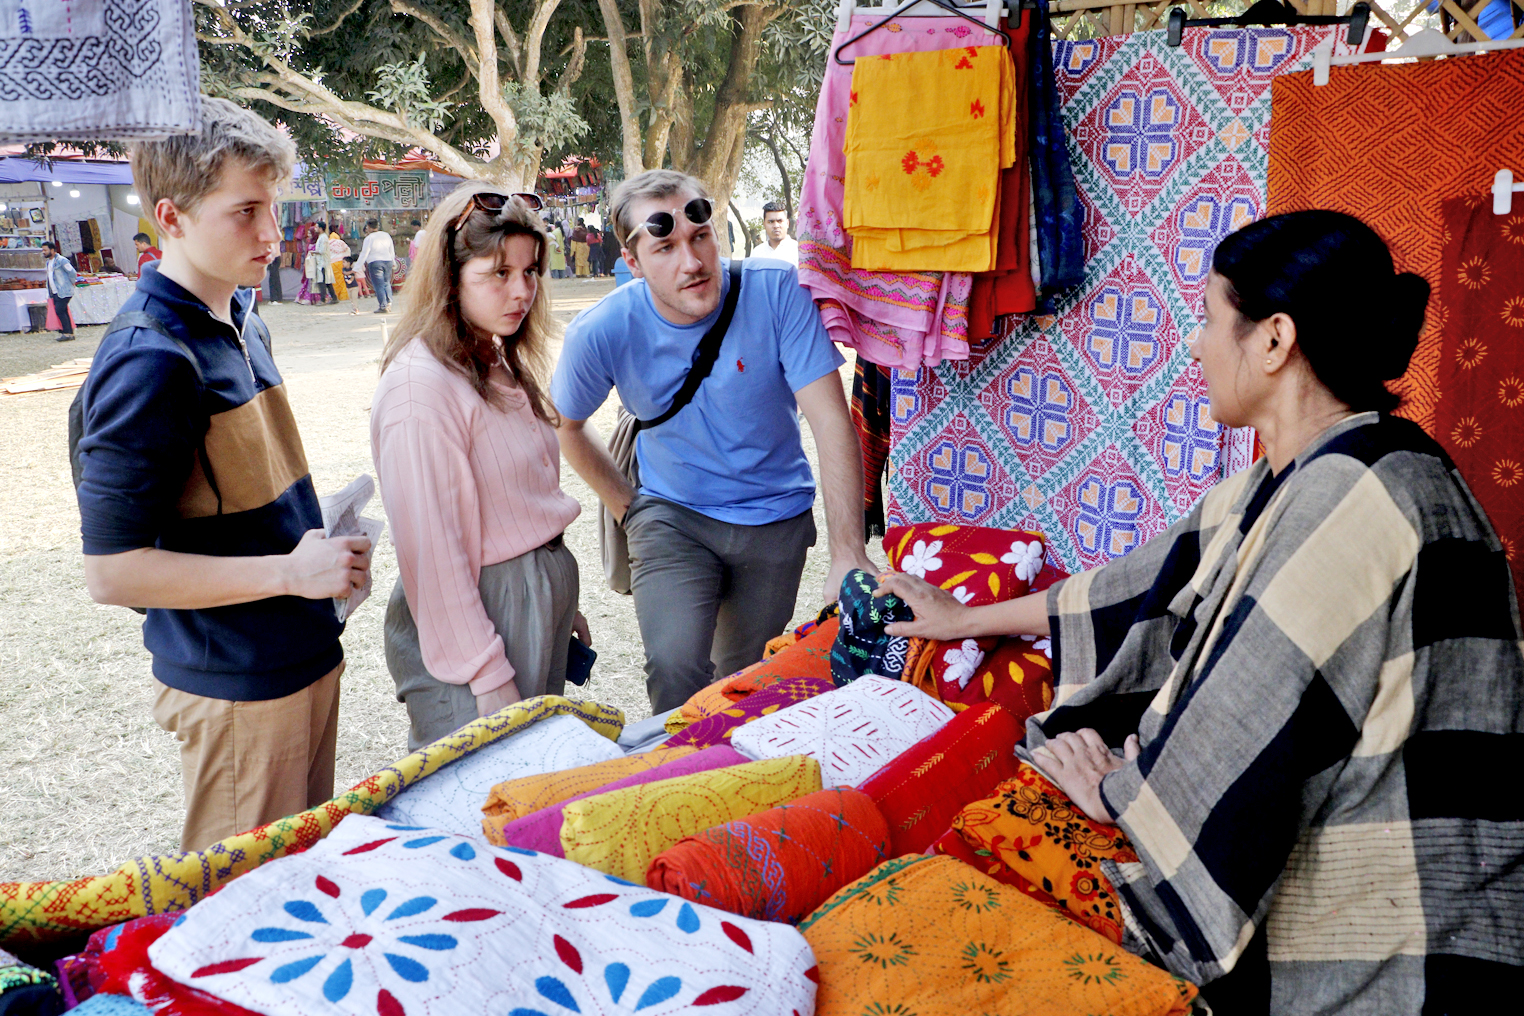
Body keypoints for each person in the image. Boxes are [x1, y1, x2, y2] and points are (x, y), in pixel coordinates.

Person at [875, 210, 1524, 1014]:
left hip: (1398, 946)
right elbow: (1133, 589)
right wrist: (962, 620)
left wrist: (1121, 791)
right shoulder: (1313, 469)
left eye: (1211, 320)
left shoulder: (1353, 493)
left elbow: (1252, 716)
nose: (1194, 346)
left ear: (1275, 340)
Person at [75, 98, 371, 853]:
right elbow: (111, 572)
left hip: (305, 651)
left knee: (304, 882)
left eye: (272, 206)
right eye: (245, 211)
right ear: (170, 217)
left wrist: (317, 544)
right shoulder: (150, 357)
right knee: (242, 903)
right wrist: (290, 572)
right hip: (237, 682)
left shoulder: (243, 314)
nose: (272, 233)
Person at [552, 169, 875, 713]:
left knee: (742, 679)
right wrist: (628, 508)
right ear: (632, 262)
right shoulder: (602, 329)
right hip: (671, 516)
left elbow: (830, 421)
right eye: (665, 248)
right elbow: (568, 424)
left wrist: (849, 552)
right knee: (674, 666)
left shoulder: (777, 290)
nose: (692, 262)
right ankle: (674, 766)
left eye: (700, 237)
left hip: (774, 518)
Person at [372, 184, 588, 749]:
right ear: (451, 278)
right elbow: (432, 552)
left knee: (529, 776)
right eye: (499, 273)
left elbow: (522, 495)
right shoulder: (421, 386)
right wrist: (486, 673)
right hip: (480, 619)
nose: (522, 290)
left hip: (528, 604)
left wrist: (559, 603)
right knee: (479, 782)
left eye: (530, 270)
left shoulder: (491, 355)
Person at [357, 218, 396, 314]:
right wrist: (393, 261)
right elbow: (391, 250)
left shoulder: (369, 238)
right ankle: (389, 303)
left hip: (375, 262)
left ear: (368, 227)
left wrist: (357, 267)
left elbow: (364, 253)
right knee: (386, 283)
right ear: (377, 226)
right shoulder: (386, 235)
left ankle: (383, 306)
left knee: (379, 285)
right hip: (387, 261)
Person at [42, 241, 76, 342]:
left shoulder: (62, 261)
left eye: (45, 250)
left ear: (52, 250)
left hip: (64, 290)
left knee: (60, 310)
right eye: (43, 250)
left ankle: (66, 332)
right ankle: (69, 333)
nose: (43, 252)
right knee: (63, 310)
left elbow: (72, 272)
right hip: (55, 291)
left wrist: (71, 283)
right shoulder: (48, 262)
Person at [750, 201, 798, 266]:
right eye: (771, 222)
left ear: (787, 223)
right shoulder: (757, 253)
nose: (776, 226)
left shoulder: (799, 251)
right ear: (764, 224)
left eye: (780, 221)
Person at [327, 224, 353, 311]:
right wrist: (347, 260)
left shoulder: (328, 243)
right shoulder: (341, 242)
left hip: (333, 263)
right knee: (342, 279)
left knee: (334, 280)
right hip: (341, 262)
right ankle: (344, 296)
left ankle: (336, 295)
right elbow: (348, 250)